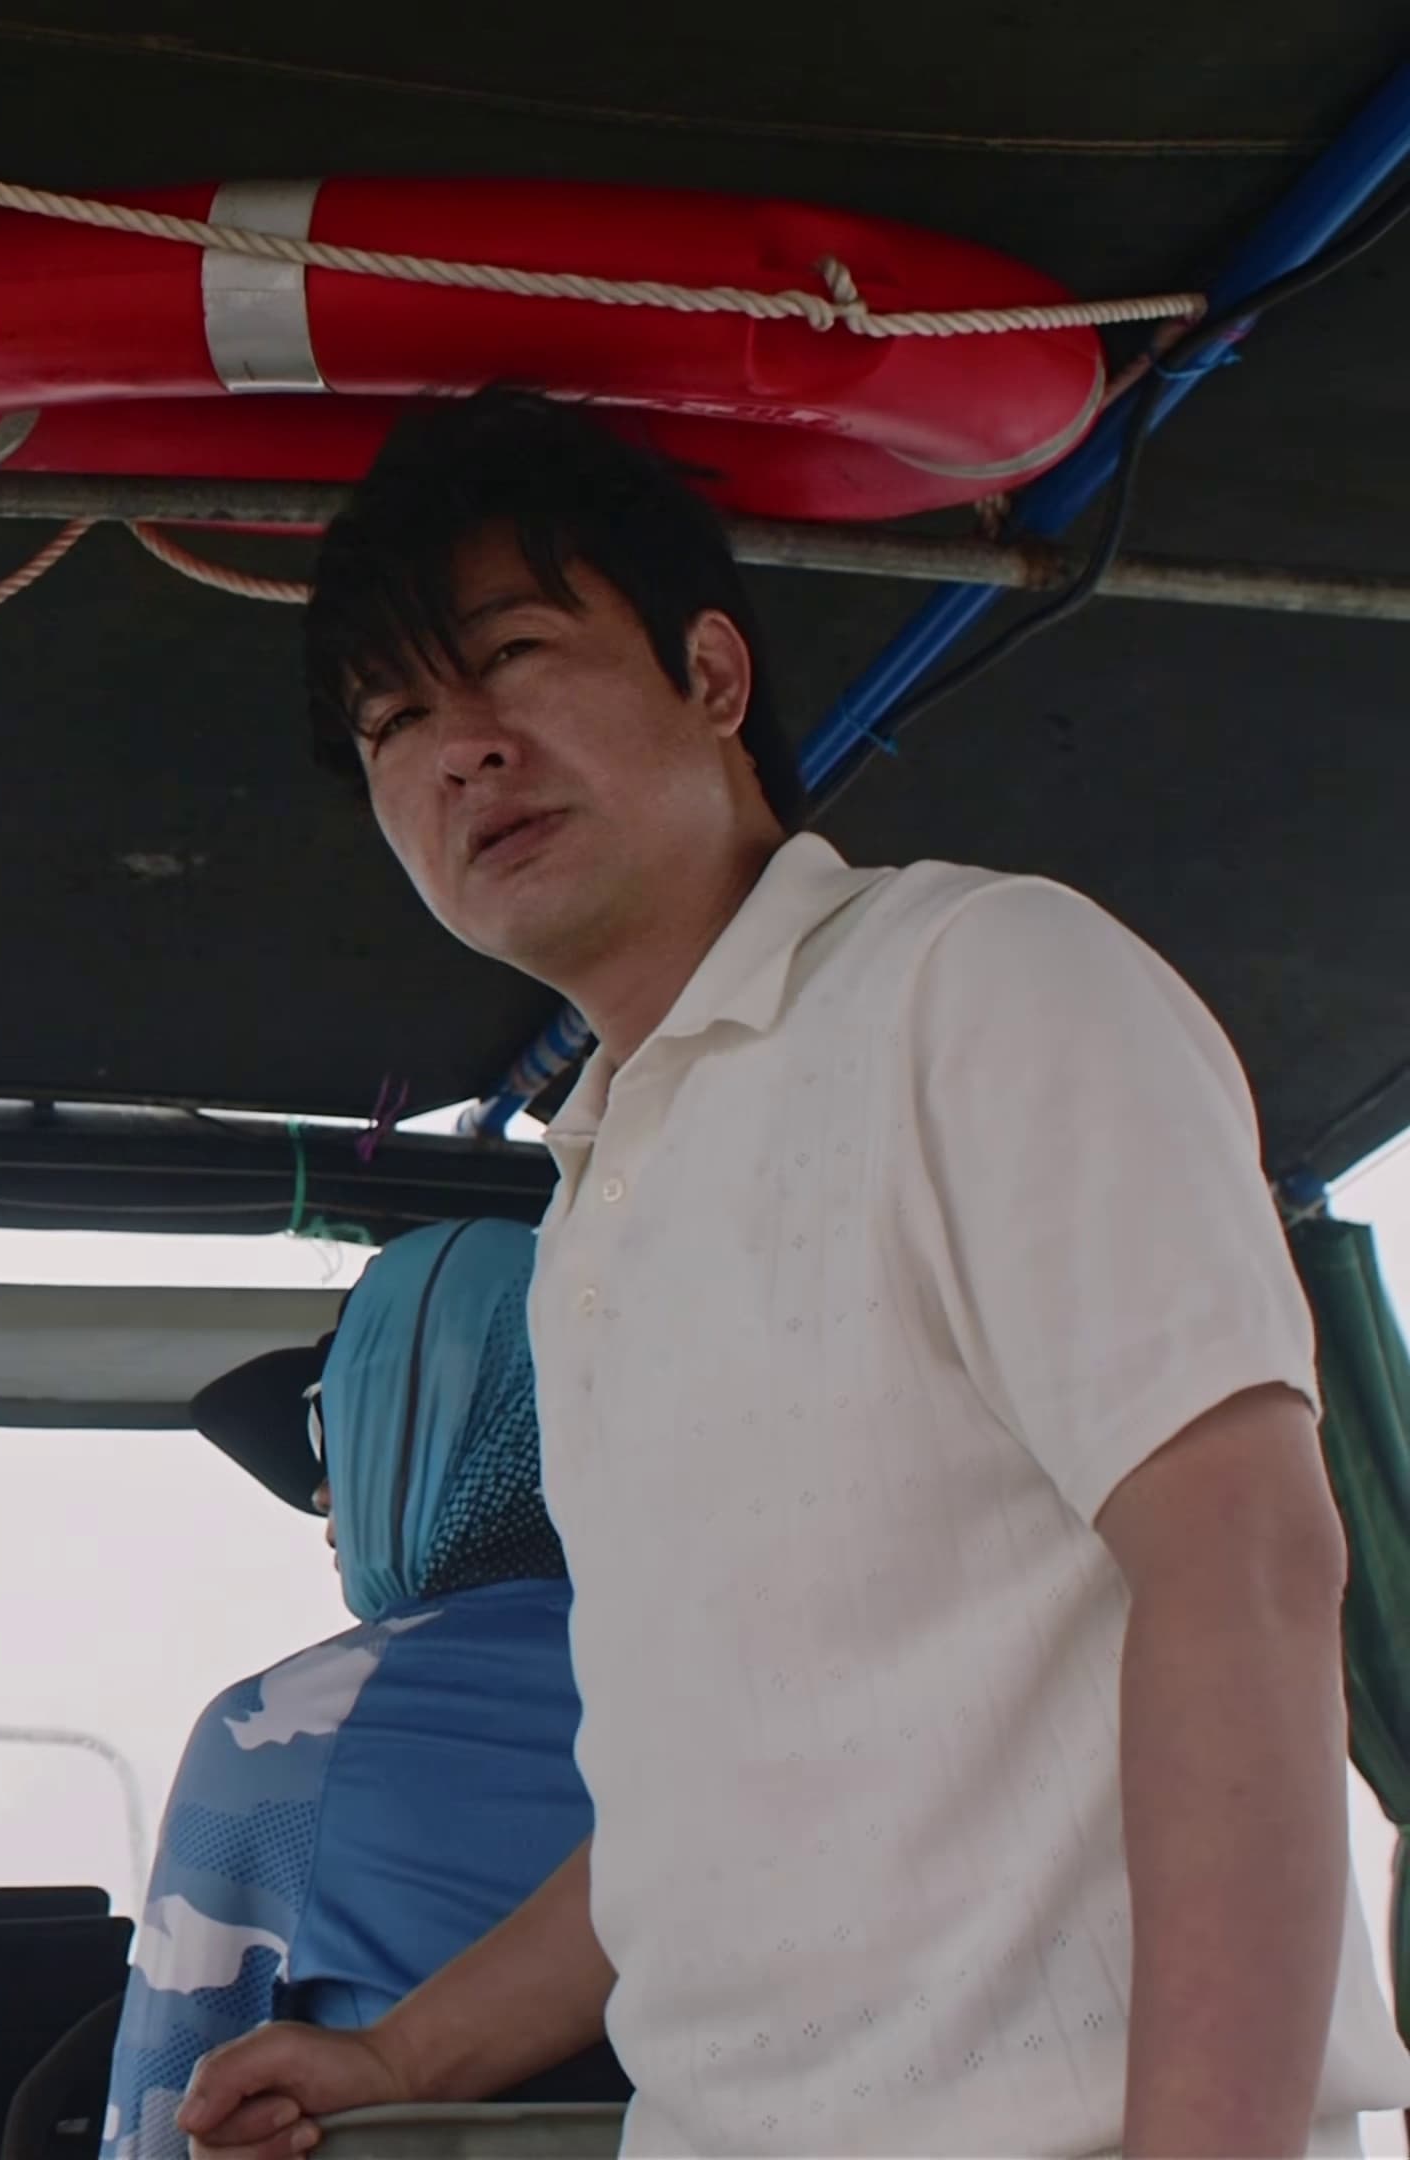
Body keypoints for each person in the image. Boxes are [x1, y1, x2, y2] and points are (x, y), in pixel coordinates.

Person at [178, 392, 1410, 2158]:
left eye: (513, 656)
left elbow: (1249, 1567)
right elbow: (697, 1806)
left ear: (713, 674)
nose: (462, 751)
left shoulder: (977, 983)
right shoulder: (598, 1202)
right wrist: (407, 2056)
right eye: (397, 723)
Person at [105, 1218, 605, 2159]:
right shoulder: (739, 1681)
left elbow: (167, 2124)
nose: (322, 1497)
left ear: (412, 1426)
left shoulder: (287, 1732)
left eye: (330, 1426)